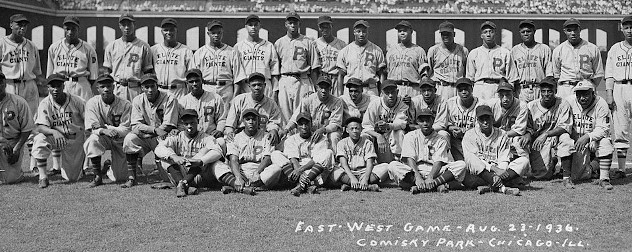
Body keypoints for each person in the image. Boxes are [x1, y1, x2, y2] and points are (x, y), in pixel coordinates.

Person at [155, 109, 254, 197]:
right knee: (166, 159)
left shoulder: (206, 137)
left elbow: (217, 151)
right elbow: (159, 148)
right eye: (187, 124)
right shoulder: (176, 137)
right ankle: (182, 184)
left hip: (200, 174)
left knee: (215, 162)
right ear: (182, 124)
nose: (190, 126)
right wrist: (174, 156)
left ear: (197, 122)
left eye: (192, 123)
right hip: (182, 172)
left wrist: (200, 161)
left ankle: (238, 186)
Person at [0, 14, 43, 174]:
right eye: (19, 24)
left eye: (25, 25)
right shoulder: (2, 43)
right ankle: (7, 159)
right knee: (7, 125)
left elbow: (37, 71)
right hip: (9, 85)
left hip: (29, 85)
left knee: (32, 125)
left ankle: (35, 165)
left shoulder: (31, 46)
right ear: (11, 25)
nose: (22, 28)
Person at [388, 108, 466, 193]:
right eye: (422, 120)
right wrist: (417, 177)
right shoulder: (410, 136)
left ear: (433, 121)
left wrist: (430, 177)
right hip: (415, 170)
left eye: (428, 120)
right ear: (417, 122)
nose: (425, 123)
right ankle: (434, 185)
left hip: (435, 171)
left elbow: (439, 161)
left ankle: (426, 185)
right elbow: (410, 159)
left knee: (461, 165)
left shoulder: (441, 139)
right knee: (393, 165)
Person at [122, 73, 179, 188]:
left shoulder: (170, 98)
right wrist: (153, 130)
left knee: (166, 178)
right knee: (129, 139)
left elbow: (168, 125)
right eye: (146, 87)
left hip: (164, 137)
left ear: (157, 86)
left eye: (152, 86)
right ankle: (132, 177)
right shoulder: (137, 100)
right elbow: (135, 125)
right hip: (148, 136)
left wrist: (151, 132)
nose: (150, 90)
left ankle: (162, 170)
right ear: (141, 88)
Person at [32, 73, 86, 188]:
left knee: (71, 178)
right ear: (48, 88)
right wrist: (53, 132)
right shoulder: (45, 103)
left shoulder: (77, 101)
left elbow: (88, 120)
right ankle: (43, 177)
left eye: (58, 86)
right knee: (39, 139)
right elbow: (40, 127)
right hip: (56, 138)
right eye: (52, 86)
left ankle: (85, 168)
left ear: (64, 86)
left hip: (74, 139)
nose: (55, 89)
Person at [463, 105, 524, 196]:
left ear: (493, 119)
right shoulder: (470, 134)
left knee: (524, 161)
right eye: (481, 119)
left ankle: (490, 186)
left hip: (499, 172)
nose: (485, 122)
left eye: (487, 118)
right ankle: (502, 188)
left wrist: (500, 172)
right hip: (480, 173)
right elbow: (475, 161)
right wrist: (493, 170)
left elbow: (504, 158)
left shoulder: (502, 134)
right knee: (470, 157)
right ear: (477, 121)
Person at [83, 74, 132, 187]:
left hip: (120, 139)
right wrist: (104, 131)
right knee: (92, 141)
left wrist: (106, 128)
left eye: (109, 86)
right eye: (103, 86)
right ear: (98, 88)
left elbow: (126, 129)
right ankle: (97, 176)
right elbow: (91, 127)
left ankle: (109, 167)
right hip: (103, 137)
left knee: (120, 177)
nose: (106, 89)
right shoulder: (92, 103)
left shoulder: (125, 104)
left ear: (113, 87)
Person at [564, 80, 614, 190]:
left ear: (593, 93)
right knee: (578, 176)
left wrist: (588, 137)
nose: (582, 98)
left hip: (593, 140)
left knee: (606, 142)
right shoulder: (569, 101)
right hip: (576, 141)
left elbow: (604, 129)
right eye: (579, 95)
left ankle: (604, 179)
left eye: (586, 94)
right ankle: (594, 165)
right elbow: (563, 124)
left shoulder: (601, 103)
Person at [271, 112, 334, 196]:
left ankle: (300, 186)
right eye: (301, 124)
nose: (304, 127)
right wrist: (298, 172)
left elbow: (316, 160)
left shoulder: (320, 138)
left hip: (314, 171)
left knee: (328, 152)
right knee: (275, 154)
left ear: (311, 124)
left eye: (306, 123)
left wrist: (301, 170)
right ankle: (305, 185)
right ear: (297, 126)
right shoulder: (291, 139)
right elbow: (293, 159)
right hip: (294, 170)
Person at [274, 12, 321, 121]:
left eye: (295, 22)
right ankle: (287, 138)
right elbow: (275, 69)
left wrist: (315, 87)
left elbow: (314, 68)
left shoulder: (307, 42)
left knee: (302, 113)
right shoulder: (279, 43)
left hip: (302, 79)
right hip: (284, 79)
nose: (293, 25)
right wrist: (275, 89)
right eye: (290, 22)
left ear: (299, 24)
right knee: (284, 114)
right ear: (286, 24)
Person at [527, 77, 574, 180]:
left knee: (566, 139)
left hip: (556, 137)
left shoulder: (563, 103)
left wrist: (546, 134)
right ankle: (552, 161)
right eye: (543, 91)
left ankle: (566, 177)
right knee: (542, 176)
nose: (546, 94)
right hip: (538, 140)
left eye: (550, 91)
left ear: (556, 91)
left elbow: (565, 126)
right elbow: (527, 128)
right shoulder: (531, 106)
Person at [193, 20, 246, 110]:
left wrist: (235, 98)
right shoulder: (200, 52)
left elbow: (238, 78)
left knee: (226, 120)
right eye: (213, 33)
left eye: (219, 33)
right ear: (208, 33)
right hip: (207, 88)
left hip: (226, 89)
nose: (216, 35)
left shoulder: (231, 51)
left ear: (222, 33)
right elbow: (193, 77)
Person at [227, 108, 284, 190]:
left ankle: (242, 187)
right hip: (242, 170)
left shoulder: (266, 136)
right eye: (247, 119)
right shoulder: (236, 137)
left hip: (260, 171)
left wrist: (257, 172)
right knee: (221, 167)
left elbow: (267, 158)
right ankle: (246, 185)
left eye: (253, 119)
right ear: (243, 121)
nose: (251, 122)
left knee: (276, 169)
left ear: (259, 121)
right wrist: (238, 177)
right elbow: (233, 160)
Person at [284, 76, 343, 154]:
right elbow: (296, 117)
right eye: (321, 87)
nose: (323, 91)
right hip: (311, 131)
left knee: (334, 136)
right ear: (317, 87)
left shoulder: (337, 102)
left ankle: (333, 160)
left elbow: (335, 123)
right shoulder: (308, 99)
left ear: (330, 89)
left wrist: (323, 130)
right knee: (291, 137)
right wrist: (286, 129)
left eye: (326, 88)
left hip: (327, 132)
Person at [604, 15, 632, 179]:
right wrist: (609, 93)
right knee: (620, 130)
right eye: (627, 27)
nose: (630, 30)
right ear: (622, 28)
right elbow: (609, 74)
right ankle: (621, 169)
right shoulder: (615, 48)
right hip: (619, 88)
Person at [102, 13, 154, 102]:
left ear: (134, 25)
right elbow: (107, 72)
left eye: (129, 24)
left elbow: (147, 72)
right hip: (117, 87)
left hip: (135, 88)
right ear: (119, 26)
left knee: (136, 114)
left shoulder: (144, 46)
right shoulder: (112, 46)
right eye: (124, 24)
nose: (127, 27)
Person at [47, 16, 98, 102]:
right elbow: (49, 76)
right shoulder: (54, 47)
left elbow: (93, 77)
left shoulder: (88, 49)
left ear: (78, 29)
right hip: (60, 85)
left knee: (83, 113)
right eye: (67, 29)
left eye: (73, 29)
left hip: (80, 85)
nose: (70, 32)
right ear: (64, 29)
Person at [224, 73, 284, 147]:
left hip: (262, 137)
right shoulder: (240, 100)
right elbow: (230, 123)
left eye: (259, 85)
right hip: (242, 135)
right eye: (254, 85)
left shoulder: (271, 103)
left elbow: (274, 123)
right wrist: (230, 132)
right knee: (226, 141)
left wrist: (273, 130)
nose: (257, 88)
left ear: (264, 85)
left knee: (282, 139)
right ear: (249, 86)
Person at [330, 117, 389, 192]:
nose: (355, 131)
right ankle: (368, 186)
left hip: (364, 172)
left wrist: (365, 178)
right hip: (348, 172)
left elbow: (370, 163)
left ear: (361, 129)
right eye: (352, 129)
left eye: (357, 128)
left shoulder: (367, 143)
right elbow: (343, 164)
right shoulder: (341, 143)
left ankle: (350, 185)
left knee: (385, 167)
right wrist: (352, 178)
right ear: (347, 130)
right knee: (333, 170)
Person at [552, 18, 604, 99]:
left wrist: (590, 85)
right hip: (566, 88)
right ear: (565, 31)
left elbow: (598, 74)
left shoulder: (592, 48)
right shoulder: (558, 50)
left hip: (585, 87)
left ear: (580, 30)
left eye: (575, 30)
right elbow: (556, 75)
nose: (573, 33)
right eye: (569, 30)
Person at [233, 14, 280, 99]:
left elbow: (275, 71)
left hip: (265, 85)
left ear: (260, 26)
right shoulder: (238, 47)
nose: (253, 27)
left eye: (256, 25)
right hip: (247, 86)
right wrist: (236, 92)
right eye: (250, 25)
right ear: (246, 27)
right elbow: (237, 73)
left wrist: (275, 91)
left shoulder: (269, 45)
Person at [362, 80, 408, 163]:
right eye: (387, 93)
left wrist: (388, 126)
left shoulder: (402, 103)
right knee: (364, 136)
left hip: (391, 134)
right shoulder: (375, 104)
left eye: (393, 92)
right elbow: (366, 126)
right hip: (376, 135)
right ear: (382, 93)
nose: (390, 95)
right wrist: (378, 136)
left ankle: (399, 160)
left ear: (397, 92)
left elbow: (401, 123)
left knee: (400, 132)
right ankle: (367, 163)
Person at [0, 72, 34, 184]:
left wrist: (17, 149)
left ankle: (16, 172)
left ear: (5, 83)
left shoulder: (18, 102)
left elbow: (27, 128)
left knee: (10, 179)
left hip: (13, 142)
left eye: (0, 82)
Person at [337, 20, 386, 96]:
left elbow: (381, 74)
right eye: (358, 31)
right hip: (351, 90)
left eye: (364, 31)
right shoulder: (345, 51)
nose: (361, 34)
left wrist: (382, 93)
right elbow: (341, 75)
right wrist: (340, 95)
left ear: (368, 32)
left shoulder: (376, 50)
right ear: (354, 32)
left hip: (370, 89)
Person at [508, 20, 553, 103]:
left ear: (534, 32)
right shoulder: (514, 51)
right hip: (521, 90)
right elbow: (512, 76)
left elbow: (549, 74)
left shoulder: (544, 49)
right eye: (523, 32)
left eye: (528, 31)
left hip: (539, 89)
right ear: (520, 33)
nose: (526, 34)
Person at [466, 21, 512, 100]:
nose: (488, 34)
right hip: (480, 87)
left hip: (498, 87)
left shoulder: (505, 52)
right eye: (485, 32)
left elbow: (511, 77)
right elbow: (470, 78)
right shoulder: (474, 53)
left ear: (495, 34)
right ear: (481, 35)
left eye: (491, 32)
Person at [486, 81, 531, 159]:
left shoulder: (521, 106)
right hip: (494, 135)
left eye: (508, 95)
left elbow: (518, 131)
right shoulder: (491, 104)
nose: (505, 99)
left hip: (512, 136)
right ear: (498, 95)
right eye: (502, 95)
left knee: (519, 142)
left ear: (513, 93)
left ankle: (523, 166)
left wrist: (498, 135)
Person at [151, 18, 194, 99]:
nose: (169, 33)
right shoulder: (154, 50)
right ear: (161, 31)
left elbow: (191, 75)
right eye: (165, 30)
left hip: (178, 91)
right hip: (159, 90)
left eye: (171, 30)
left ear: (176, 31)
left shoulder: (185, 50)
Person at [179, 69, 226, 140]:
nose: (194, 84)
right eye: (191, 82)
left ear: (202, 81)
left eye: (197, 80)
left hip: (211, 136)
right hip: (190, 138)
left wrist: (219, 130)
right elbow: (180, 124)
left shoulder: (215, 98)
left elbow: (222, 119)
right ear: (187, 83)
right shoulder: (182, 102)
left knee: (222, 141)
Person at [442, 77, 482, 160]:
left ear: (472, 88)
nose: (464, 92)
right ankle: (442, 161)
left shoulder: (481, 104)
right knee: (442, 134)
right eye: (460, 90)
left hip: (474, 140)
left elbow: (481, 128)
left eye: (466, 89)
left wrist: (464, 132)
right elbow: (444, 123)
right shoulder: (450, 103)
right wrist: (452, 128)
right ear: (457, 91)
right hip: (455, 140)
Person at [385, 20, 428, 97]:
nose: (402, 33)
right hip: (394, 88)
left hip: (413, 88)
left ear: (411, 32)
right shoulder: (391, 50)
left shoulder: (419, 50)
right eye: (400, 31)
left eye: (405, 31)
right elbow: (386, 72)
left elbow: (424, 75)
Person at [427, 21, 468, 100]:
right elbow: (429, 73)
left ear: (454, 34)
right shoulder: (433, 50)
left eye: (448, 34)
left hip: (458, 88)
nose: (445, 36)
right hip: (440, 87)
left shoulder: (463, 50)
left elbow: (466, 72)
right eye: (443, 34)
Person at [315, 15, 346, 97]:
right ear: (319, 28)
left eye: (327, 27)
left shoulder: (342, 45)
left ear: (331, 26)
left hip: (335, 79)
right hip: (321, 78)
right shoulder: (314, 44)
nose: (325, 29)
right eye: (322, 27)